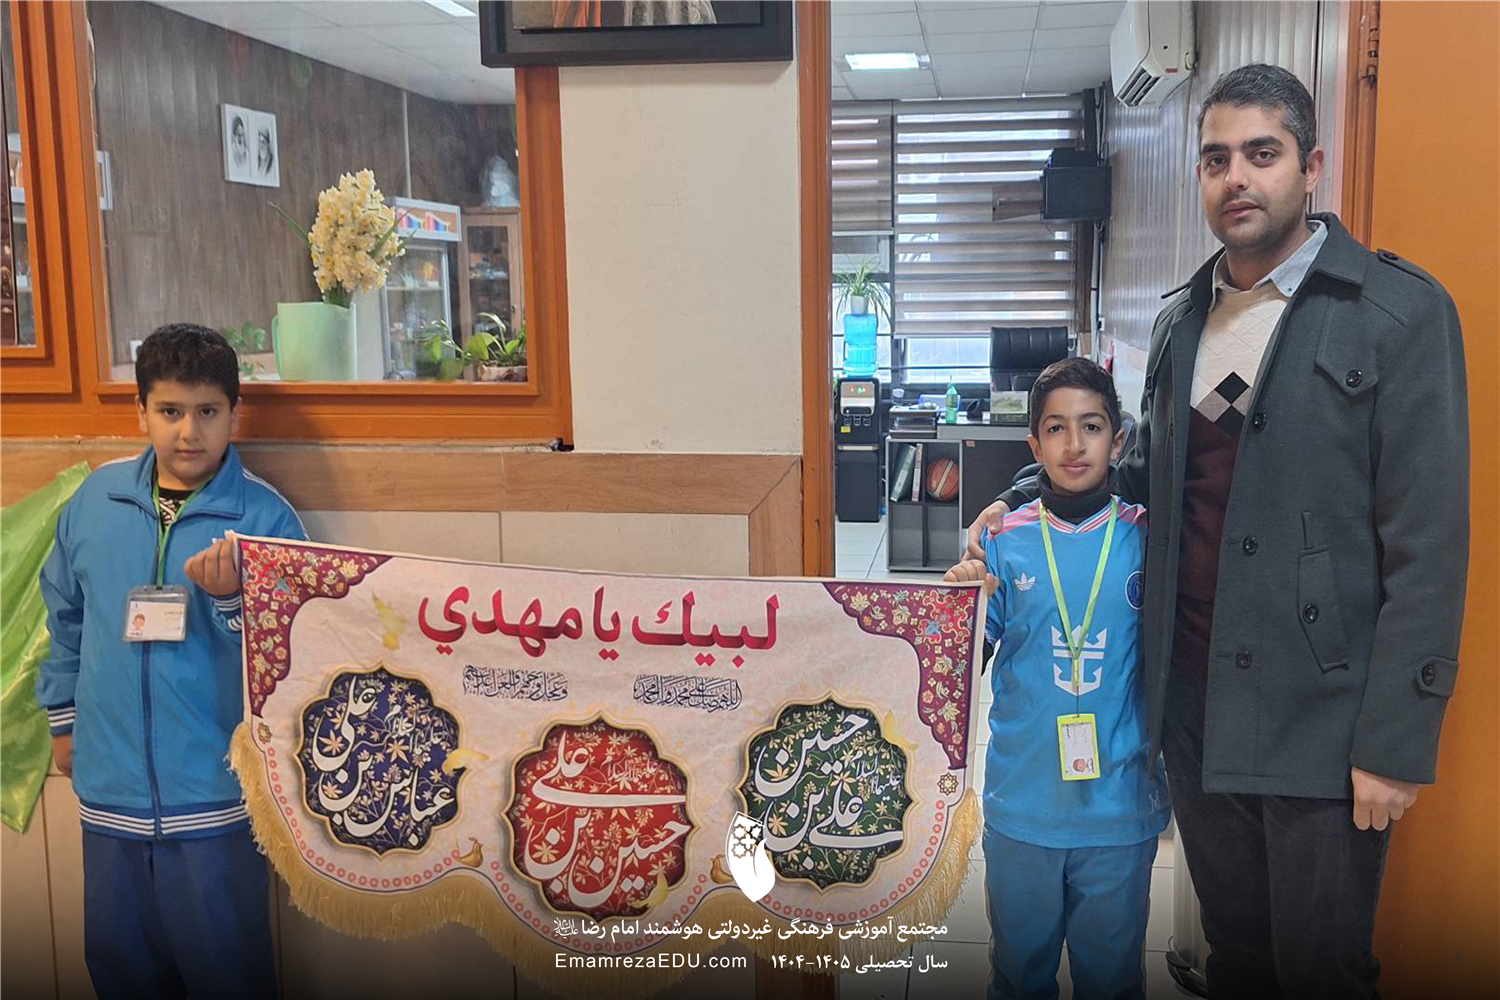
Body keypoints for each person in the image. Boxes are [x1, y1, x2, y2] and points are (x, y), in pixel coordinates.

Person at [949, 64, 1469, 999]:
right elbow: (1144, 473)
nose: (1237, 178)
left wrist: (1395, 741)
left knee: (1321, 971)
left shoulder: (1397, 315)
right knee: (1239, 962)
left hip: (1322, 718)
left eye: (1262, 154)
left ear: (1311, 166)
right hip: (1193, 705)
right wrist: (1023, 494)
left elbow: (1429, 546)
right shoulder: (1183, 320)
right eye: (1216, 158)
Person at [36, 324, 307, 1000]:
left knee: (228, 973)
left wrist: (232, 603)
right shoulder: (95, 503)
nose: (189, 432)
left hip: (218, 798)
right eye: (170, 410)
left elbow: (299, 658)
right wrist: (63, 719)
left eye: (208, 411)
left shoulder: (265, 519)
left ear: (235, 412)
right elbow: (64, 614)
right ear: (141, 412)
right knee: (122, 971)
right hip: (109, 793)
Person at [978, 357, 1168, 1000]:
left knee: (1112, 981)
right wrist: (958, 606)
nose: (1074, 444)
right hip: (1023, 805)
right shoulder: (1004, 540)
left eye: (1091, 426)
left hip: (1120, 805)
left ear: (1119, 439)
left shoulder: (1148, 539)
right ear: (1035, 446)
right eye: (1056, 429)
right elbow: (965, 661)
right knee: (1018, 977)